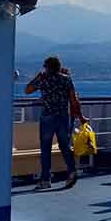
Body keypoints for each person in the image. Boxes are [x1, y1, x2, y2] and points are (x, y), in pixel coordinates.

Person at [25, 56, 87, 190]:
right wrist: (80, 116)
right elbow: (73, 100)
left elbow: (27, 90)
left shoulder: (43, 78)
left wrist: (38, 76)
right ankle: (71, 172)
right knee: (65, 146)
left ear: (47, 67)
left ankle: (45, 180)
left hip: (47, 116)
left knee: (46, 148)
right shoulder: (66, 79)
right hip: (63, 116)